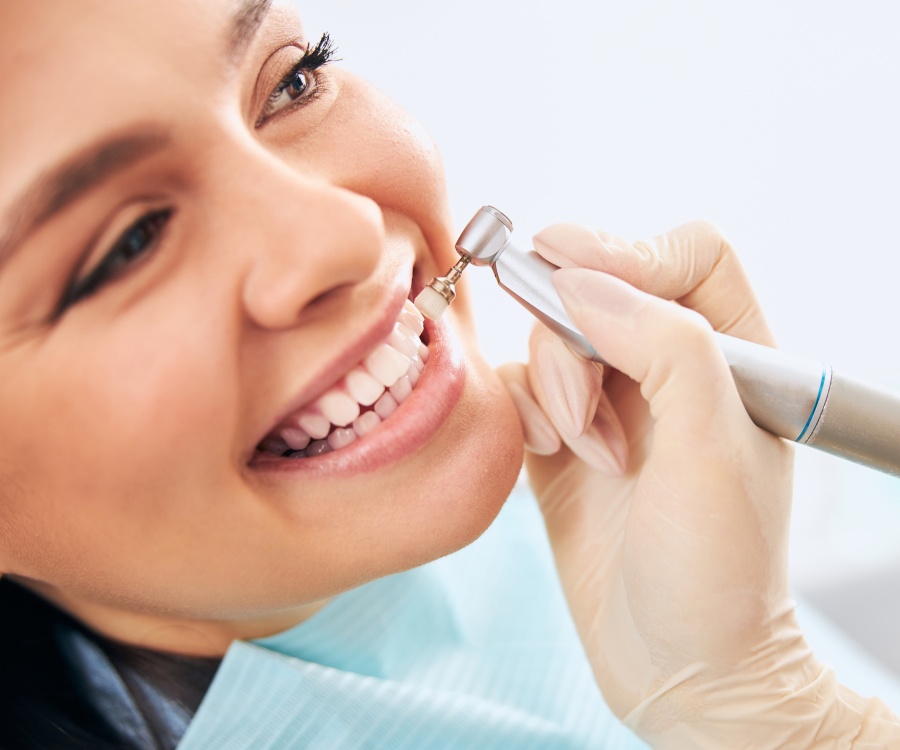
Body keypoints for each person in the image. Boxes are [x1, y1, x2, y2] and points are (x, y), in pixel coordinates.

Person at [0, 1, 897, 748]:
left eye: (293, 80)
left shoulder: (664, 495)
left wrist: (758, 696)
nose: (345, 231)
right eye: (128, 246)